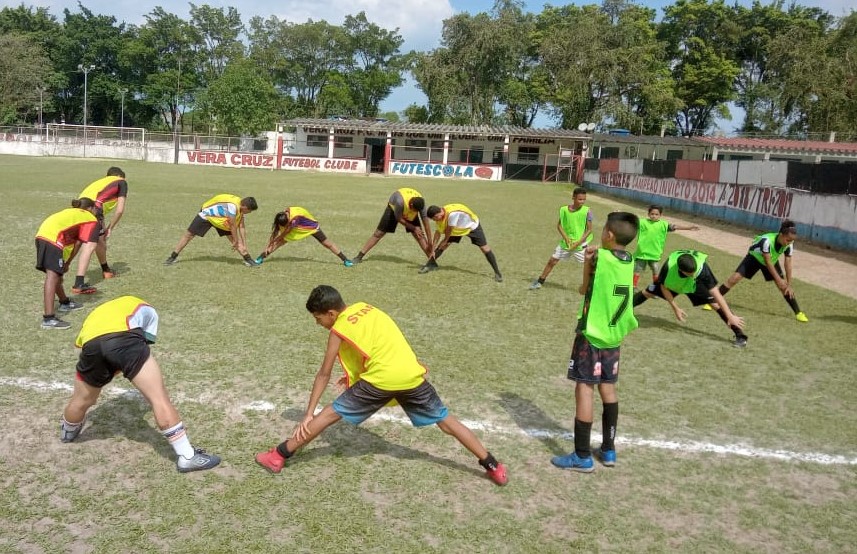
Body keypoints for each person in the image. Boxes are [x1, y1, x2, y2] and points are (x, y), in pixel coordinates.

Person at [255, 285, 508, 486]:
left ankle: (278, 455)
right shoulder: (367, 308)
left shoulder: (337, 329)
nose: (318, 323)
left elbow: (323, 374)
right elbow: (376, 345)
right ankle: (492, 465)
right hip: (411, 374)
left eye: (318, 318)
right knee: (446, 422)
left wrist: (308, 413)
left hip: (381, 380)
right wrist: (355, 377)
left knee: (329, 413)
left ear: (331, 313)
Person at [59, 295, 221, 473]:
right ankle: (187, 457)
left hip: (91, 346)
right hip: (125, 340)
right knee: (158, 398)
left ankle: (68, 432)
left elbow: (84, 345)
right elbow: (141, 341)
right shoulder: (146, 308)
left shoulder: (94, 315)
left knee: (81, 399)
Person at [551, 212, 639, 473]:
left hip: (592, 334)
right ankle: (609, 449)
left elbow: (583, 287)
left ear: (609, 235)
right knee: (608, 388)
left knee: (585, 388)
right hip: (614, 335)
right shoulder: (629, 260)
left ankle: (581, 455)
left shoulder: (600, 257)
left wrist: (587, 261)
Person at [632, 249, 748, 347]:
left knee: (715, 304)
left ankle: (740, 336)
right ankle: (622, 310)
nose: (693, 274)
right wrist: (675, 308)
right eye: (690, 273)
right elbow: (664, 288)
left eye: (694, 272)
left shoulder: (701, 269)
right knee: (648, 292)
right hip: (674, 283)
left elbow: (715, 293)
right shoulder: (668, 268)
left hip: (695, 284)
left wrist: (730, 316)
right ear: (681, 270)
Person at [715, 220, 808, 322]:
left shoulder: (789, 243)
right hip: (755, 257)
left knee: (784, 286)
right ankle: (713, 301)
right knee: (734, 279)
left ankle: (798, 313)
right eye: (787, 240)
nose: (789, 243)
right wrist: (779, 279)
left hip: (771, 259)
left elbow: (788, 262)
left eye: (791, 241)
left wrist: (789, 284)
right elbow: (767, 262)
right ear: (781, 235)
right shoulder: (766, 241)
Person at [34, 198, 100, 330]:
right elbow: (79, 243)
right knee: (52, 276)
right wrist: (68, 262)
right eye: (96, 208)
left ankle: (64, 302)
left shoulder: (72, 213)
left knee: (56, 274)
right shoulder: (90, 219)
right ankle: (49, 318)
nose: (97, 211)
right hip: (53, 238)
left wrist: (64, 264)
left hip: (42, 235)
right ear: (90, 209)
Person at [71, 167, 129, 294]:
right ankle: (79, 283)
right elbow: (119, 210)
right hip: (93, 209)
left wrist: (103, 226)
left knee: (99, 241)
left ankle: (106, 270)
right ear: (120, 176)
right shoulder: (121, 181)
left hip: (81, 207)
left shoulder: (100, 183)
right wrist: (110, 228)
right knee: (90, 245)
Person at [164, 194, 259, 267]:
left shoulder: (241, 207)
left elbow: (241, 226)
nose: (249, 212)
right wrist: (235, 240)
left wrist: (244, 243)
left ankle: (248, 259)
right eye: (249, 210)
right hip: (208, 215)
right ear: (244, 206)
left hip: (222, 220)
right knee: (189, 234)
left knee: (235, 239)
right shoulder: (233, 206)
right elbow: (233, 226)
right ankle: (172, 257)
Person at [419, 203, 503, 282]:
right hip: (457, 228)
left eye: (435, 218)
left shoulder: (452, 214)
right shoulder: (440, 216)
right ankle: (430, 264)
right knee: (443, 246)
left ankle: (497, 272)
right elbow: (438, 233)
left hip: (471, 226)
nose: (435, 220)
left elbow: (449, 230)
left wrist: (445, 241)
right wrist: (433, 249)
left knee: (484, 248)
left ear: (439, 213)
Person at [530, 187, 593, 290]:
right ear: (573, 197)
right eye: (580, 199)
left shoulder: (587, 211)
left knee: (590, 265)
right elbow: (559, 226)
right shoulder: (564, 210)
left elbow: (589, 230)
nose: (582, 202)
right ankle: (540, 281)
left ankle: (592, 286)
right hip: (566, 243)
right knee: (552, 261)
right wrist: (566, 238)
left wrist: (578, 242)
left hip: (580, 245)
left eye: (584, 199)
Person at [351, 188, 433, 264]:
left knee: (419, 235)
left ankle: (431, 261)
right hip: (393, 209)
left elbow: (426, 224)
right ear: (411, 205)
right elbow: (398, 218)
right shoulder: (399, 201)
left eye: (416, 211)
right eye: (414, 210)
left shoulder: (421, 204)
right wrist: (414, 228)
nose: (414, 212)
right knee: (378, 233)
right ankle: (359, 256)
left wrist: (430, 242)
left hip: (407, 207)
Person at [255, 206, 353, 266]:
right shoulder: (281, 216)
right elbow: (275, 232)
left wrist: (274, 240)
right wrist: (269, 243)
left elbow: (284, 233)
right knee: (278, 243)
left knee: (327, 244)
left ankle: (345, 260)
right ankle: (261, 257)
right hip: (294, 227)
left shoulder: (294, 219)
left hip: (310, 227)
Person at [633, 204, 699, 289]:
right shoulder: (642, 222)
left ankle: (655, 288)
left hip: (654, 254)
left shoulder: (664, 225)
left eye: (656, 214)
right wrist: (618, 215)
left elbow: (675, 227)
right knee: (637, 271)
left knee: (656, 271)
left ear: (660, 215)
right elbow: (631, 221)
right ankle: (633, 287)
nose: (654, 216)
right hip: (641, 253)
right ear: (648, 214)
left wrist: (688, 228)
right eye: (652, 214)